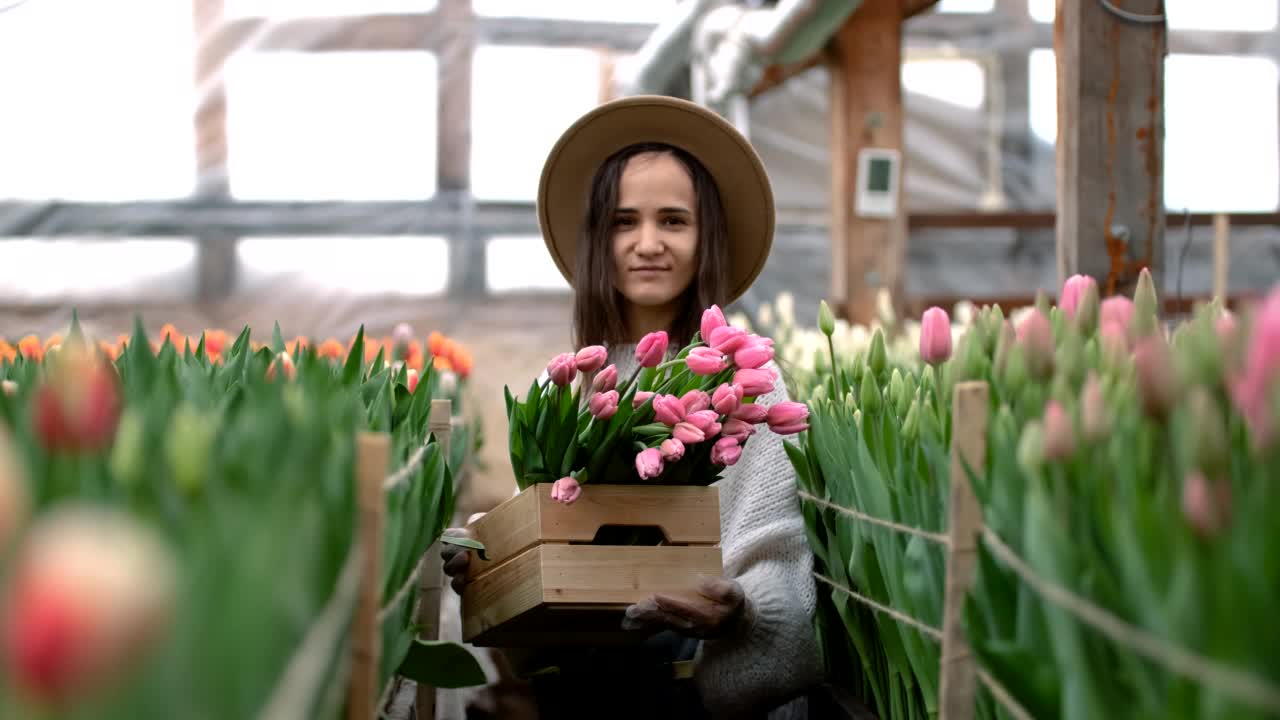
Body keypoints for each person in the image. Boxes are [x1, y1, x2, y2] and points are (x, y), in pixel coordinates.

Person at [442, 95, 822, 719]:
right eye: (624, 222)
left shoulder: (750, 385)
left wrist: (742, 611)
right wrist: (497, 564)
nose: (648, 243)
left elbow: (781, 564)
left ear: (707, 238)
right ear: (599, 238)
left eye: (673, 220)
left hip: (697, 701)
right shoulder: (562, 391)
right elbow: (548, 595)